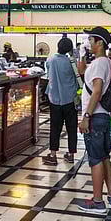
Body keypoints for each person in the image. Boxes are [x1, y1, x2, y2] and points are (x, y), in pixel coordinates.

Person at [76, 26, 111, 215]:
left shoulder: (101, 63)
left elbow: (98, 90)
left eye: (91, 40)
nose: (88, 43)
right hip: (101, 117)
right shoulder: (102, 62)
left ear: (99, 42)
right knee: (104, 157)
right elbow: (82, 72)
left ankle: (98, 201)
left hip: (95, 117)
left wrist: (86, 117)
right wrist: (81, 55)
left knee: (95, 160)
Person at [43, 37, 79, 166]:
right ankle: (71, 154)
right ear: (70, 49)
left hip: (55, 99)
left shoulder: (50, 60)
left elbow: (48, 75)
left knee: (55, 127)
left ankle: (52, 155)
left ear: (58, 46)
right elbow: (77, 75)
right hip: (70, 99)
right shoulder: (72, 61)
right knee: (72, 127)